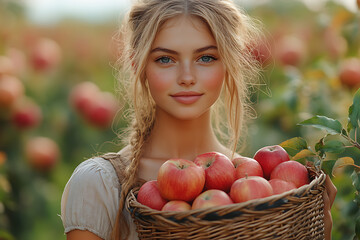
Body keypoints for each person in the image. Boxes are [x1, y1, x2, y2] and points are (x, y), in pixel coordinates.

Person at [60, 0, 337, 239]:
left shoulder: (258, 188)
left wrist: (316, 229)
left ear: (229, 62)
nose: (187, 76)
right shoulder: (100, 186)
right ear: (138, 64)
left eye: (206, 57)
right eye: (165, 59)